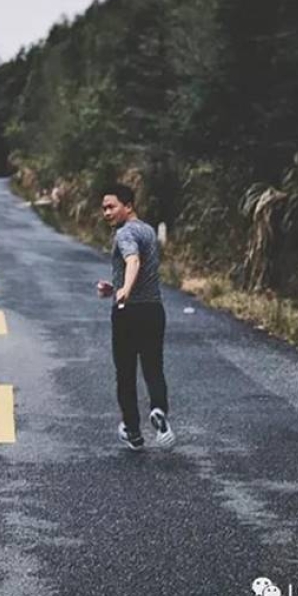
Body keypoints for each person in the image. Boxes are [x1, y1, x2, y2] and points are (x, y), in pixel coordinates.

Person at [96, 183, 175, 451]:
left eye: (111, 207)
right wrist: (115, 288)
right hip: (153, 310)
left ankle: (133, 430)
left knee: (126, 372)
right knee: (154, 367)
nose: (106, 213)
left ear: (128, 206)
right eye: (104, 208)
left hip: (128, 313)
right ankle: (159, 409)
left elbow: (133, 261)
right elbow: (142, 269)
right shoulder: (148, 231)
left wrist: (125, 292)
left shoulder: (125, 233)